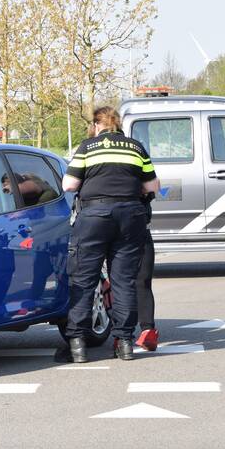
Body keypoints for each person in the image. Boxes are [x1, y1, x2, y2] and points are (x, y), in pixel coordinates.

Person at [58, 106, 160, 363]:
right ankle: (124, 342)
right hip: (130, 215)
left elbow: (69, 185)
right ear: (117, 125)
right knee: (124, 280)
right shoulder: (135, 147)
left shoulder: (87, 147)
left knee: (83, 278)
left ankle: (78, 345)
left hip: (94, 215)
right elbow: (152, 186)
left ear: (96, 125)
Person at [135, 193, 158, 351]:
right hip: (137, 221)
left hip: (100, 221)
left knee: (118, 281)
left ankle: (122, 336)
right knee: (142, 281)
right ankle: (147, 330)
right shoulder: (141, 166)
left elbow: (70, 185)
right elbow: (152, 187)